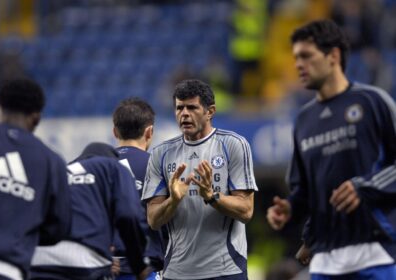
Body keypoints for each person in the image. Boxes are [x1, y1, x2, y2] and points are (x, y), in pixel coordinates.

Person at [266, 19, 396, 279]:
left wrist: (364, 187)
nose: (298, 65)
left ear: (333, 55)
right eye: (295, 58)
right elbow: (305, 190)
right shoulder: (304, 120)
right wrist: (290, 208)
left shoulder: (372, 102)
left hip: (375, 252)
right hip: (325, 261)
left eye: (305, 56)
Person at [142, 79, 257, 279]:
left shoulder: (233, 145)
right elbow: (153, 220)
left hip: (226, 269)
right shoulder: (161, 154)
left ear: (210, 111)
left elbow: (246, 211)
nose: (184, 113)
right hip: (177, 272)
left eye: (192, 107)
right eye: (179, 108)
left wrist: (212, 196)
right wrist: (173, 201)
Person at [0, 78, 71, 280]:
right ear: (36, 119)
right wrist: (22, 231)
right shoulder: (52, 162)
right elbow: (58, 229)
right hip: (5, 270)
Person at [30, 142, 153, 280]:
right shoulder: (113, 167)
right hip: (83, 262)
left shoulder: (60, 172)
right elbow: (128, 215)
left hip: (37, 258)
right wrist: (139, 265)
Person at [111, 98, 165, 280]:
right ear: (149, 132)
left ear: (115, 131)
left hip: (106, 267)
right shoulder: (157, 166)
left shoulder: (97, 166)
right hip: (146, 269)